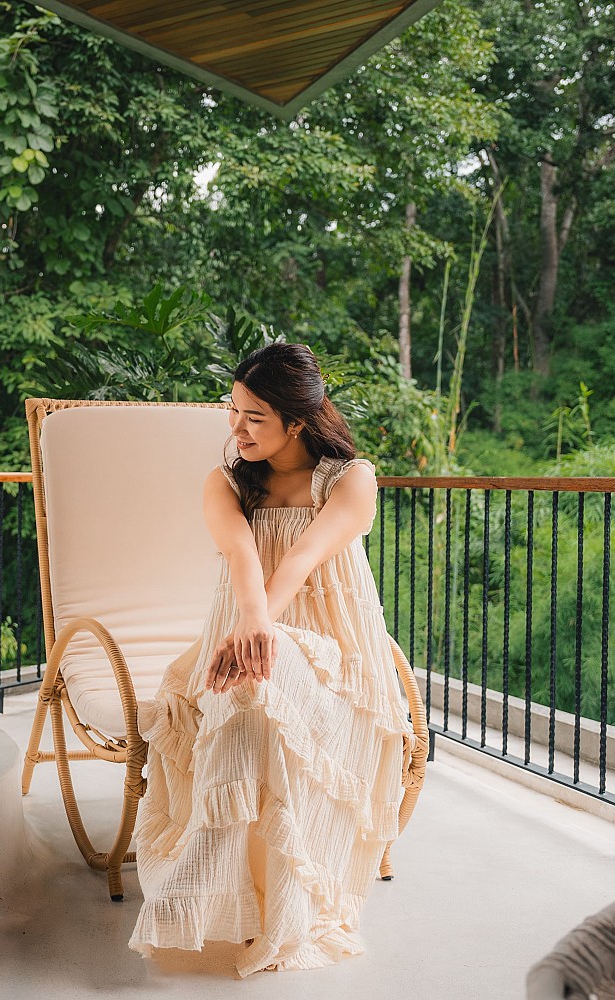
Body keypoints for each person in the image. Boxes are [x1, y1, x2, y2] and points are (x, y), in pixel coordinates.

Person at [127, 342, 412, 977]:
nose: (236, 429)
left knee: (258, 682)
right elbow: (242, 557)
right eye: (234, 413)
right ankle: (219, 899)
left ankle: (200, 898)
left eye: (253, 416)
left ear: (298, 420)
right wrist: (253, 624)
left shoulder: (351, 480)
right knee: (251, 701)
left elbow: (305, 557)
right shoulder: (225, 482)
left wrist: (262, 626)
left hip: (335, 667)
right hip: (241, 649)